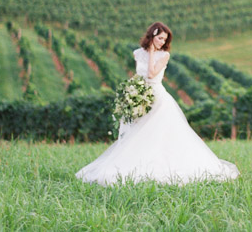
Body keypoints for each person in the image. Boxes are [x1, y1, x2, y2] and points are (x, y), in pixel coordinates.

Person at [75, 21, 239, 186]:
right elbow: (139, 75)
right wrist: (130, 92)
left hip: (157, 98)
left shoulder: (163, 55)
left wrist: (153, 52)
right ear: (152, 35)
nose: (162, 42)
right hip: (141, 95)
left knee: (158, 132)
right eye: (159, 38)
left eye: (164, 40)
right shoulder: (137, 53)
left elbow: (152, 74)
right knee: (138, 133)